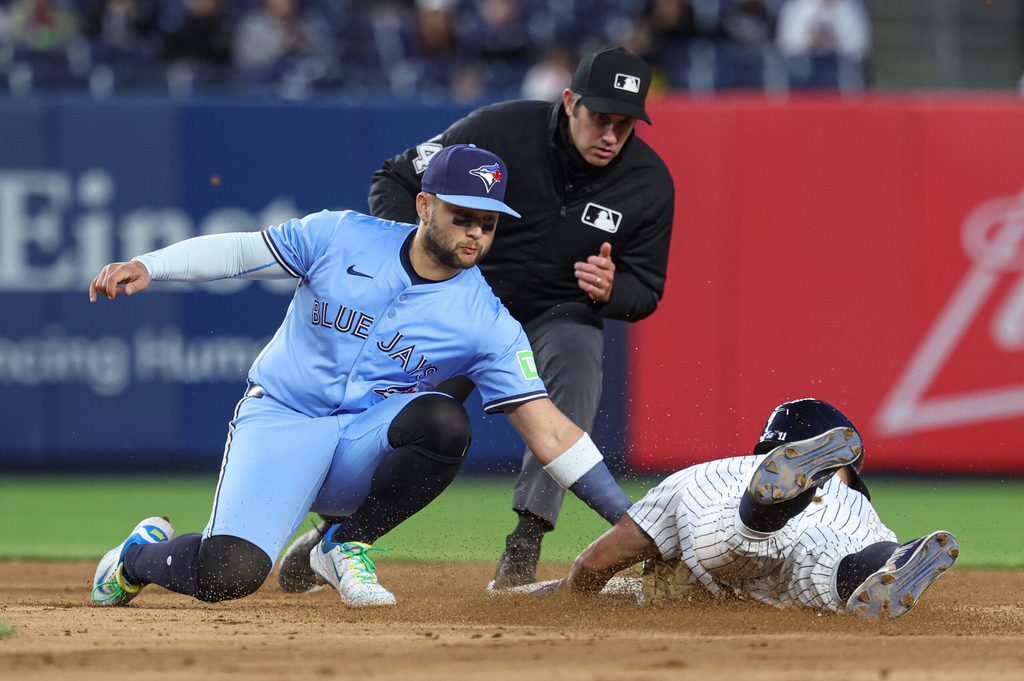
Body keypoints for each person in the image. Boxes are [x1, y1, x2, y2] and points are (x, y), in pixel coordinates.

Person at [87, 144, 632, 609]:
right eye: (461, 215)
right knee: (228, 573)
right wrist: (151, 265)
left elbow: (552, 434)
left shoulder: (486, 321)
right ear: (423, 205)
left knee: (444, 421)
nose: (475, 232)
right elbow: (240, 251)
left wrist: (634, 523)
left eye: (487, 222)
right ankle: (134, 559)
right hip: (282, 419)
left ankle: (344, 542)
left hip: (360, 446)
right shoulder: (341, 235)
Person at [277, 45, 675, 593]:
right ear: (569, 101)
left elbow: (646, 290)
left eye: (624, 124)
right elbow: (394, 178)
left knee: (577, 370)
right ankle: (339, 529)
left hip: (559, 311)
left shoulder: (649, 183)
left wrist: (613, 290)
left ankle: (523, 549)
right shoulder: (501, 131)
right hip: (462, 309)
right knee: (411, 420)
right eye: (599, 117)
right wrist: (417, 263)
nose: (610, 133)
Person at [528, 398, 959, 619]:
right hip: (843, 540)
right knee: (830, 570)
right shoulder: (859, 506)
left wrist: (573, 598)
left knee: (732, 541)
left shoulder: (706, 473)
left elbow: (601, 559)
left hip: (728, 509)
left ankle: (765, 508)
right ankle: (893, 559)